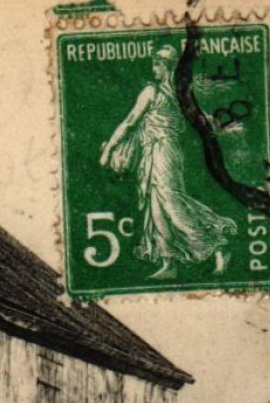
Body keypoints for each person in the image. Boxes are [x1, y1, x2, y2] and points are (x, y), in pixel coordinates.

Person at [99, 44, 237, 278]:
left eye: (157, 64)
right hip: (154, 152)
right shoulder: (180, 95)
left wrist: (109, 149)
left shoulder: (155, 92)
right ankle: (168, 263)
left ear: (167, 67)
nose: (154, 68)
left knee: (171, 202)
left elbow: (130, 122)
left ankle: (217, 244)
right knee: (156, 206)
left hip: (164, 150)